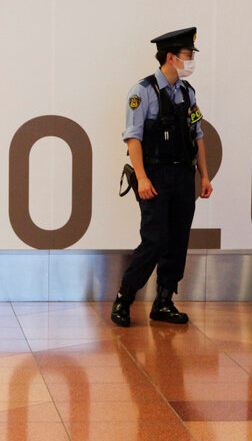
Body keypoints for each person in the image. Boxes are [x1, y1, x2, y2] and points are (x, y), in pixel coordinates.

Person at [111, 27, 213, 327]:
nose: (191, 60)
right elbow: (133, 139)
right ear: (171, 57)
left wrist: (204, 177)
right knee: (155, 240)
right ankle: (124, 298)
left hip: (183, 174)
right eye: (187, 55)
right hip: (154, 175)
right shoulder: (142, 91)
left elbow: (198, 136)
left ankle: (164, 301)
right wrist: (142, 178)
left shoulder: (187, 92)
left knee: (178, 239)